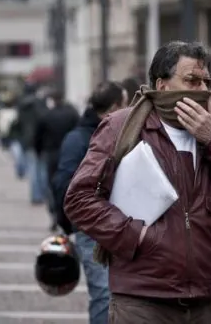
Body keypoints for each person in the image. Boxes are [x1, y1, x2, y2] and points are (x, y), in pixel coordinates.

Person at [64, 41, 211, 323]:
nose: (201, 89)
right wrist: (136, 235)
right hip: (141, 301)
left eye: (206, 82)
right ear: (162, 85)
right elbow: (78, 199)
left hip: (202, 302)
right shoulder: (121, 126)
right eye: (191, 80)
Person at [53, 81, 128, 324]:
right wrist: (70, 224)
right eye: (125, 105)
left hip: (123, 225)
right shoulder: (78, 139)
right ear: (115, 107)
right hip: (91, 228)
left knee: (123, 295)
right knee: (104, 294)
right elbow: (63, 185)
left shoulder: (122, 134)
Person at [34, 89, 79, 231]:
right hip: (69, 153)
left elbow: (38, 137)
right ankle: (67, 215)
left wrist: (39, 151)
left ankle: (55, 214)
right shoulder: (72, 114)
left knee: (52, 186)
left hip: (51, 154)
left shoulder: (47, 115)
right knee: (69, 185)